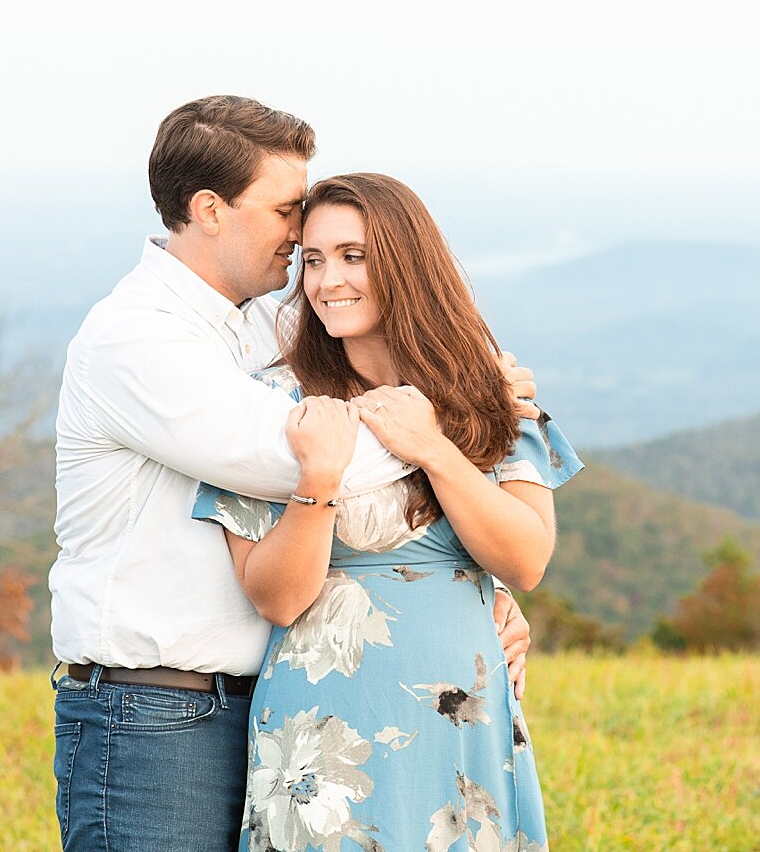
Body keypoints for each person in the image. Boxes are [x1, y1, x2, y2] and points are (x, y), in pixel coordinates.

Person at [50, 97, 539, 852]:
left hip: (255, 702)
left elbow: (446, 527)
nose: (299, 240)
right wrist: (465, 412)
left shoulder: (249, 328)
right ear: (210, 209)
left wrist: (476, 593)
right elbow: (297, 457)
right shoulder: (139, 339)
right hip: (152, 711)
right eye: (287, 214)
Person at [192, 173, 581, 852]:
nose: (326, 280)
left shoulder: (490, 394)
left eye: (353, 255)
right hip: (320, 733)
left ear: (405, 263)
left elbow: (525, 560)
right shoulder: (271, 405)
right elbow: (277, 599)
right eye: (311, 260)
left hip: (461, 718)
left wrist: (432, 447)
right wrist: (319, 477)